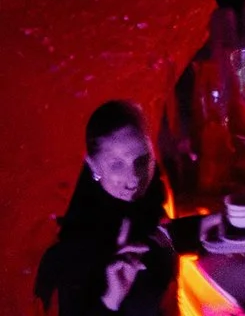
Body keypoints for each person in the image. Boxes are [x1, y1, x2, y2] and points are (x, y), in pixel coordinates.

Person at [36, 102, 178, 316]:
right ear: (93, 165)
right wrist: (111, 299)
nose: (133, 179)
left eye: (141, 160)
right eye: (117, 164)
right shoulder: (73, 248)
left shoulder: (147, 211)